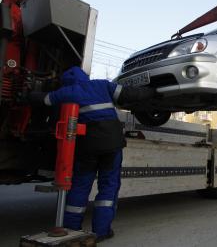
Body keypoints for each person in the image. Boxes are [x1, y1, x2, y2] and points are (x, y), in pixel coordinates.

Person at [34, 66, 155, 242]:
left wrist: (24, 96)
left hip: (87, 147)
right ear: (86, 77)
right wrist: (151, 92)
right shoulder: (102, 85)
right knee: (109, 186)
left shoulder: (65, 92)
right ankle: (102, 231)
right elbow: (129, 94)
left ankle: (71, 228)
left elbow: (43, 100)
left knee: (80, 186)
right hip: (112, 146)